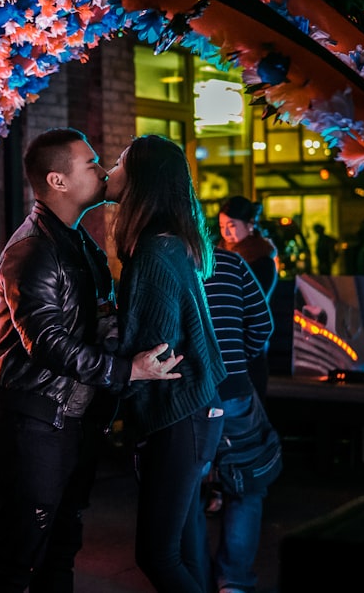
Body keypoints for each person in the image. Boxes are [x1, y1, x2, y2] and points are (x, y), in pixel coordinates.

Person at [0, 127, 181, 593]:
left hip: (66, 422)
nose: (103, 168)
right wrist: (127, 370)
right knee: (18, 557)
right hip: (30, 423)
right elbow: (44, 341)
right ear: (58, 181)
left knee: (59, 551)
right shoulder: (34, 248)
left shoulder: (76, 242)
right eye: (90, 163)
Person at [106, 134, 227, 592]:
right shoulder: (170, 242)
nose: (109, 172)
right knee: (184, 543)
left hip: (179, 412)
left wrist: (115, 374)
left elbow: (152, 351)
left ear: (141, 181)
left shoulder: (153, 253)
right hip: (195, 408)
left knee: (156, 553)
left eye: (118, 164)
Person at [204, 247, 275, 593]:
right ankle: (233, 582)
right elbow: (263, 324)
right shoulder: (231, 263)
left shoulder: (155, 259)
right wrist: (237, 361)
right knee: (245, 488)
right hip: (234, 389)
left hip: (182, 394)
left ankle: (189, 575)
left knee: (182, 490)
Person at [218, 195, 279, 401]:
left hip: (248, 348)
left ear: (250, 225)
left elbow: (256, 312)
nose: (226, 232)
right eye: (222, 226)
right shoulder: (217, 257)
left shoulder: (262, 261)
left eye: (232, 225)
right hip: (222, 349)